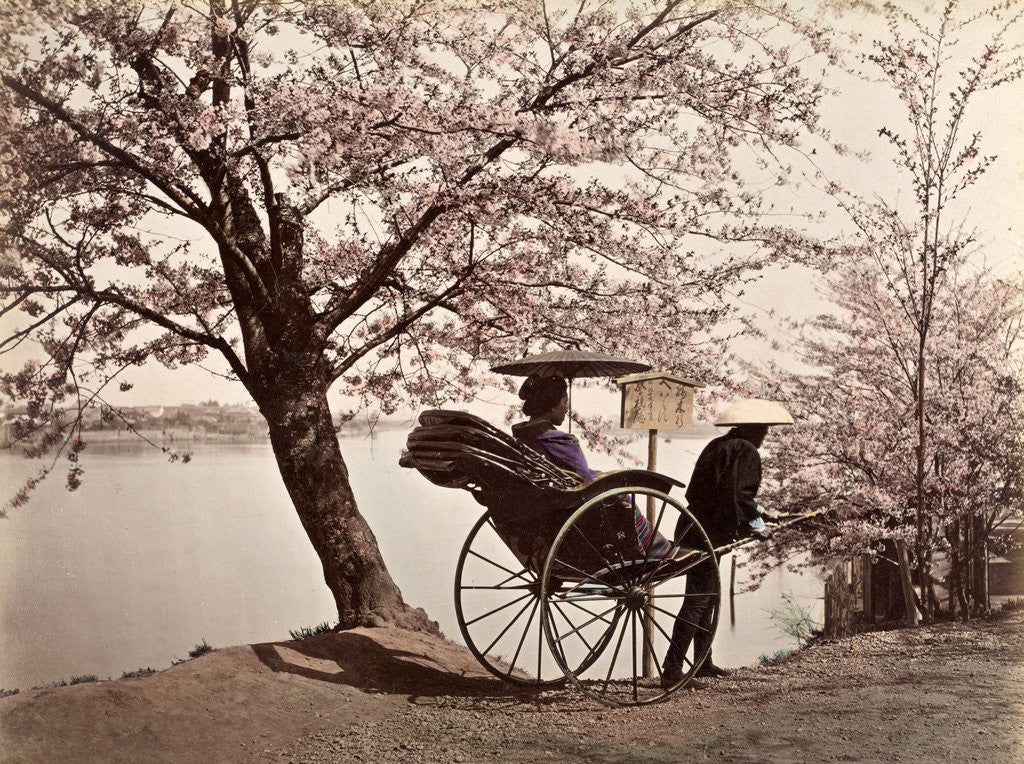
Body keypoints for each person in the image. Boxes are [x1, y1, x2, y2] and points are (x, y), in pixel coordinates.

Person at [661, 398, 794, 688]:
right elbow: (738, 495)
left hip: (692, 523)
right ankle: (672, 669)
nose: (765, 434)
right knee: (698, 598)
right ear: (750, 427)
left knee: (707, 596)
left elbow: (717, 492)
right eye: (762, 428)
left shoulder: (718, 444)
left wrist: (760, 513)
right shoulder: (746, 450)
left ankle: (702, 662)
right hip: (709, 531)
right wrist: (755, 526)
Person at [511, 374, 667, 553]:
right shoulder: (558, 440)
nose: (566, 409)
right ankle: (655, 547)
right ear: (552, 406)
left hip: (545, 503)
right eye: (565, 402)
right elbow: (584, 478)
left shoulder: (523, 437)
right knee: (623, 495)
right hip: (570, 505)